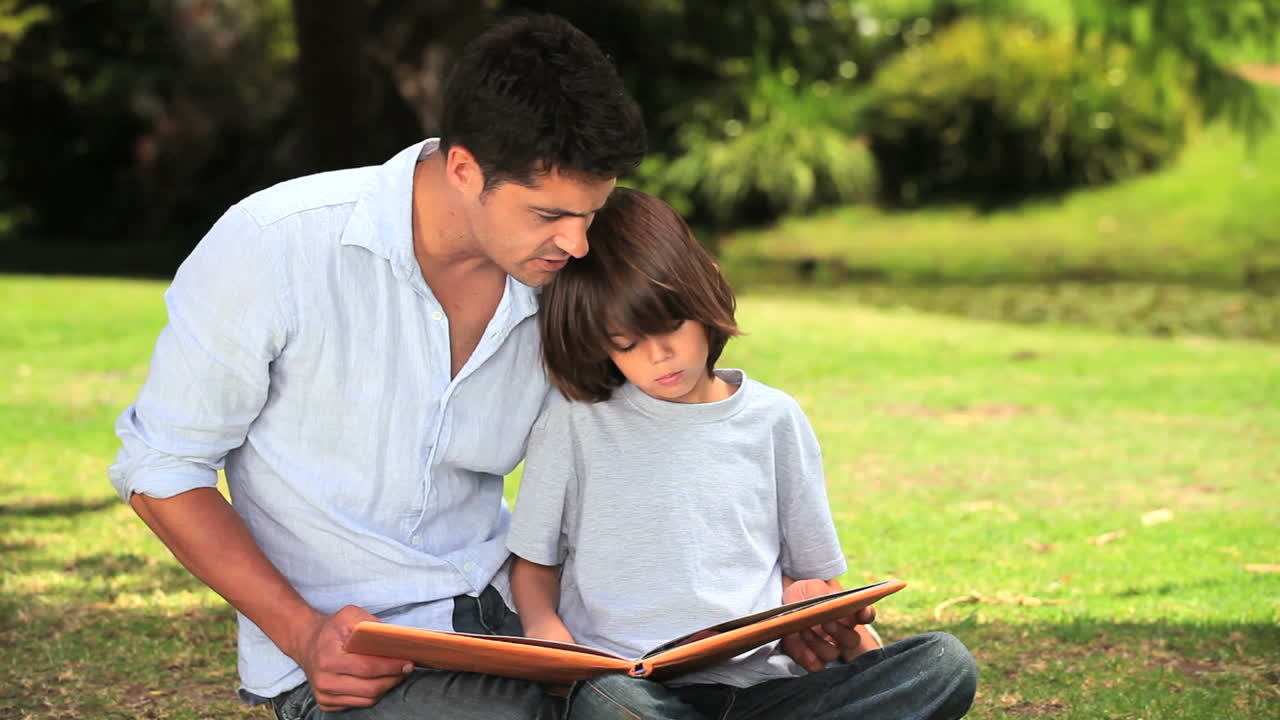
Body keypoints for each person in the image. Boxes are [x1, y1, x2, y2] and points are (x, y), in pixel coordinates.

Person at [107, 13, 874, 720]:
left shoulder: (566, 285)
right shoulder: (274, 246)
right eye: (549, 215)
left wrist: (775, 602)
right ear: (465, 170)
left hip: (516, 622)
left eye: (591, 215)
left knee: (629, 701)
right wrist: (304, 635)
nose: (576, 244)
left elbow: (653, 446)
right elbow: (162, 468)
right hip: (361, 652)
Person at [507, 187, 978, 720]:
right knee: (607, 707)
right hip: (629, 688)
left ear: (702, 296)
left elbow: (816, 581)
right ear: (597, 342)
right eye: (625, 342)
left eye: (670, 327)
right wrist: (555, 645)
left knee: (943, 663)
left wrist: (850, 641)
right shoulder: (574, 423)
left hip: (764, 687)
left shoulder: (774, 420)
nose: (659, 356)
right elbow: (532, 565)